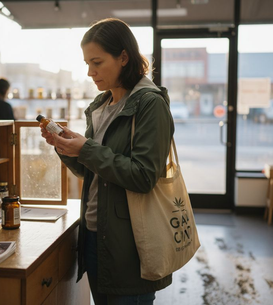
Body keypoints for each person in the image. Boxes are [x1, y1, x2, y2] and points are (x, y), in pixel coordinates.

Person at [39, 18, 174, 305]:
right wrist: (64, 146)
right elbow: (91, 172)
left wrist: (86, 149)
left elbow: (144, 176)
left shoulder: (150, 104)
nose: (90, 72)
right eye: (87, 63)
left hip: (129, 244)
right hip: (93, 236)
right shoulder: (101, 106)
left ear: (124, 57)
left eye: (97, 62)